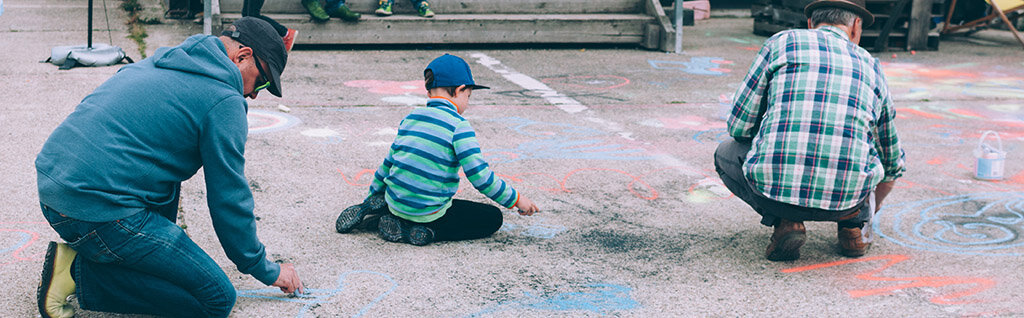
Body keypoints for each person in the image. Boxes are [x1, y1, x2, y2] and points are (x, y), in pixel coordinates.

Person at [35, 17, 303, 318]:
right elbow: (229, 198)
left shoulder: (168, 60)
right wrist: (264, 268)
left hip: (54, 188)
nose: (255, 94)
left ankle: (111, 256)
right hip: (95, 211)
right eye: (262, 81)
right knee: (215, 298)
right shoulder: (224, 100)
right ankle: (74, 271)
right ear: (242, 56)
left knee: (167, 169)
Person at [713, 0, 906, 262]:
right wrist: (867, 207)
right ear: (856, 26)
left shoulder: (781, 43)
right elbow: (892, 158)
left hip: (774, 191)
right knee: (871, 155)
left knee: (725, 152)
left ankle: (786, 221)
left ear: (810, 23)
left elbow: (738, 125)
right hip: (848, 201)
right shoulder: (872, 65)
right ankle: (853, 229)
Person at [335, 54, 539, 246]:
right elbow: (481, 178)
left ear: (429, 91)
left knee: (399, 195)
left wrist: (372, 197)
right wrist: (517, 200)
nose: (467, 103)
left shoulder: (411, 118)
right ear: (459, 90)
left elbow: (387, 165)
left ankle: (378, 211)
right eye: (468, 97)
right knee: (491, 218)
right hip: (428, 212)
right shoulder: (459, 126)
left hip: (396, 201)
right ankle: (425, 231)